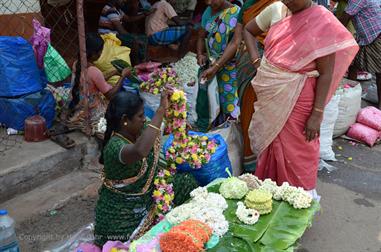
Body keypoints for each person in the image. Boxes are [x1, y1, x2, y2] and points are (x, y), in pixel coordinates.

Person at [243, 0, 358, 196]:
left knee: (298, 151)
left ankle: (299, 203)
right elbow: (248, 30)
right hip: (271, 89)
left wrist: (317, 114)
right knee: (271, 143)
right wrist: (256, 60)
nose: (288, 1)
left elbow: (326, 73)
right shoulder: (277, 9)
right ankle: (269, 197)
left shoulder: (322, 20)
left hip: (301, 97)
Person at [94, 91, 197, 246]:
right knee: (129, 242)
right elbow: (140, 151)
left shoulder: (137, 129)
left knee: (187, 183)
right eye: (140, 116)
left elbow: (154, 129)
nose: (144, 120)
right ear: (125, 120)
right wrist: (161, 109)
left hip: (149, 192)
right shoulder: (115, 147)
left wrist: (178, 124)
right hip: (124, 212)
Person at [64, 33, 130, 135]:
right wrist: (123, 77)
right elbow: (110, 95)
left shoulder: (77, 64)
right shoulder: (94, 71)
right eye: (100, 51)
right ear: (94, 53)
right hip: (91, 110)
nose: (101, 53)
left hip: (78, 104)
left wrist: (114, 72)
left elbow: (94, 81)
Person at [197, 0, 241, 126]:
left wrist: (216, 66)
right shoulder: (208, 12)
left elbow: (235, 44)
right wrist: (200, 54)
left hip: (230, 68)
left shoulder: (236, 13)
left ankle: (232, 132)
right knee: (213, 101)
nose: (209, 3)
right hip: (211, 67)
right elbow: (201, 36)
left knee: (230, 102)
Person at [339, 0, 381, 108]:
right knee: (353, 65)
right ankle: (350, 94)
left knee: (379, 73)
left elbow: (344, 19)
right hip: (366, 39)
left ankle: (380, 108)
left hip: (376, 38)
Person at [98, 0, 151, 64]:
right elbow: (121, 31)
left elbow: (129, 19)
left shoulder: (117, 9)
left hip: (114, 36)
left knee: (143, 38)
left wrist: (144, 14)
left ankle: (144, 62)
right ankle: (137, 64)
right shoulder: (110, 10)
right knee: (134, 41)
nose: (125, 1)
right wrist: (134, 37)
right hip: (108, 37)